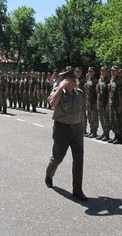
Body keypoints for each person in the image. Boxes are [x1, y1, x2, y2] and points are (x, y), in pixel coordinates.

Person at [45, 67, 87, 201]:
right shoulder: (58, 92)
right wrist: (59, 87)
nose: (75, 82)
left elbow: (82, 111)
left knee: (79, 160)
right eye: (72, 79)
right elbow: (52, 103)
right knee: (58, 158)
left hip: (77, 129)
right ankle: (49, 174)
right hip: (62, 129)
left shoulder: (79, 93)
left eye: (75, 79)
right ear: (66, 80)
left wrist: (83, 127)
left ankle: (77, 190)